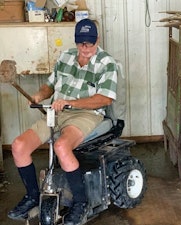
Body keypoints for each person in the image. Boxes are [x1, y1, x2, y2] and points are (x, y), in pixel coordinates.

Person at [7, 19, 118, 225]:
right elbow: (49, 86)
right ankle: (32, 196)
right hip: (56, 111)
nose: (85, 49)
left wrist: (70, 102)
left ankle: (81, 201)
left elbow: (105, 98)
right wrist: (40, 96)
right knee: (19, 146)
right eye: (81, 43)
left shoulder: (107, 63)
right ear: (76, 42)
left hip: (87, 113)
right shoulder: (66, 57)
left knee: (61, 146)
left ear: (98, 40)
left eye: (90, 44)